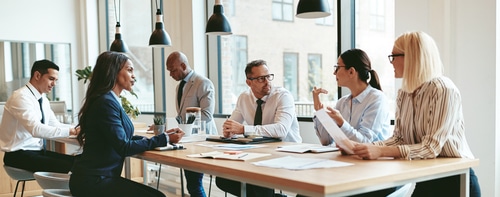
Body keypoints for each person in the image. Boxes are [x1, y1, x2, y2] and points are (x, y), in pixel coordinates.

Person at [348, 31, 481, 197]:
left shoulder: (443, 90)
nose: (391, 62)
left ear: (411, 57)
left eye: (394, 56)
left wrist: (380, 151)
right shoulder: (404, 93)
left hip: (455, 180)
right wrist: (364, 148)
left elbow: (430, 148)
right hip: (426, 177)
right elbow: (399, 138)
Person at [69, 51, 184, 197]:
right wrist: (164, 139)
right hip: (94, 181)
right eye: (129, 70)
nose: (134, 76)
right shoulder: (106, 102)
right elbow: (123, 146)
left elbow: (119, 138)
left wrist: (161, 137)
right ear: (114, 72)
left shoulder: (109, 100)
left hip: (98, 177)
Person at [216, 59, 302, 197]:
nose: (268, 82)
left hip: (286, 153)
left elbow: (281, 130)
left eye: (269, 76)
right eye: (261, 79)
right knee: (223, 179)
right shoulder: (244, 98)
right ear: (249, 82)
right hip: (258, 152)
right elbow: (231, 124)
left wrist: (244, 129)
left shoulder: (282, 96)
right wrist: (229, 130)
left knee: (258, 182)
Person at [0, 59, 79, 173]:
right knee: (72, 166)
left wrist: (76, 129)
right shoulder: (20, 97)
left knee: (78, 161)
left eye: (56, 80)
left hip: (36, 151)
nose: (54, 84)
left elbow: (54, 124)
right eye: (51, 79)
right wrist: (72, 131)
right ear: (37, 75)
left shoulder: (43, 100)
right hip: (17, 155)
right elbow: (36, 130)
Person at [312, 48, 392, 145]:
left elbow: (364, 142)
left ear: (351, 72)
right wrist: (320, 112)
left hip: (372, 160)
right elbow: (326, 141)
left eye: (337, 67)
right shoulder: (342, 103)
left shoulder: (377, 99)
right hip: (347, 158)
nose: (334, 73)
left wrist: (341, 122)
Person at [165, 51, 217, 197]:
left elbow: (206, 115)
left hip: (201, 141)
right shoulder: (179, 87)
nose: (171, 75)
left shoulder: (203, 83)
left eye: (173, 70)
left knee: (194, 184)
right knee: (192, 184)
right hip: (187, 142)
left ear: (183, 65)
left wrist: (185, 126)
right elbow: (182, 116)